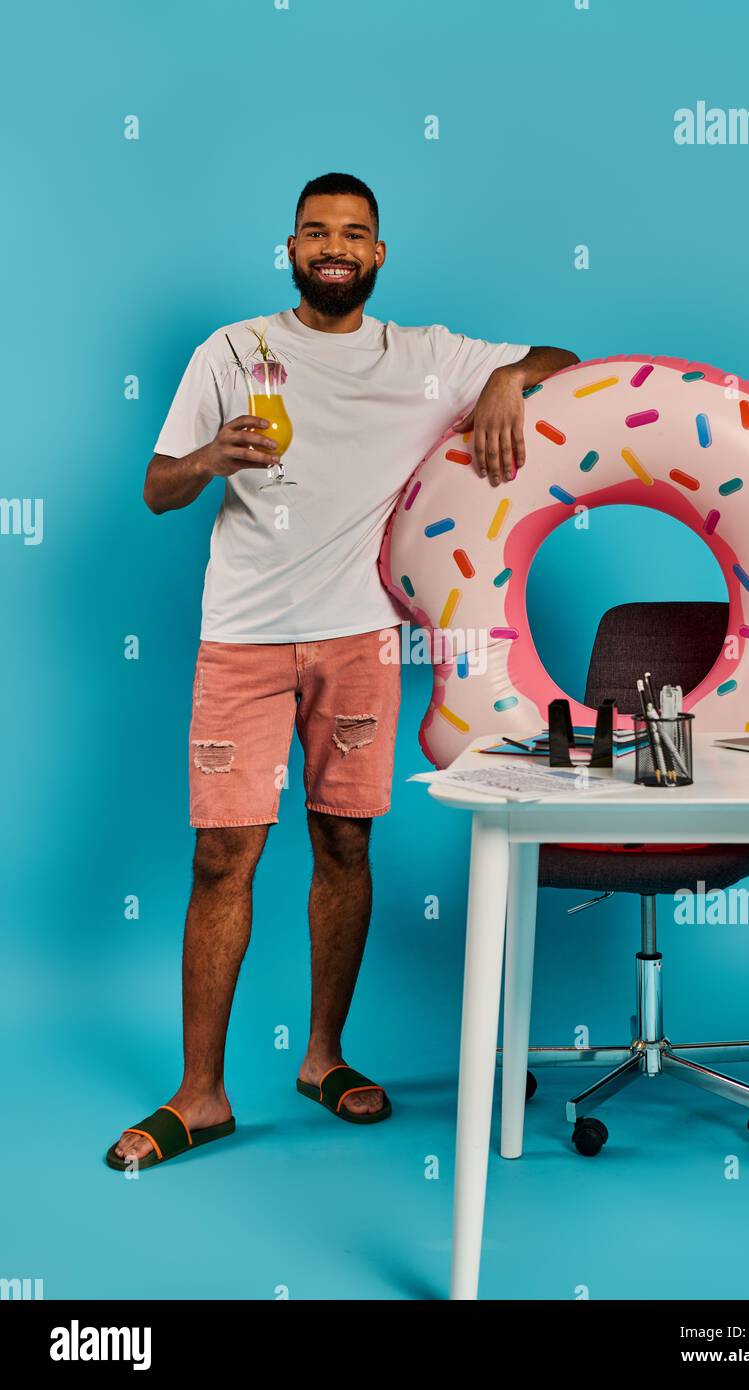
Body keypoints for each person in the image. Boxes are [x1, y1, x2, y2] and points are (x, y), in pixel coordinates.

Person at [106, 171, 579, 1170]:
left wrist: (501, 381)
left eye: (353, 233)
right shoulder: (233, 351)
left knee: (344, 844)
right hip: (242, 635)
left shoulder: (425, 355)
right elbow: (155, 489)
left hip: (363, 638)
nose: (333, 246)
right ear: (289, 246)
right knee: (220, 858)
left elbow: (563, 361)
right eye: (315, 231)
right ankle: (199, 1095)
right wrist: (207, 462)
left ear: (377, 254)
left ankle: (322, 1057)